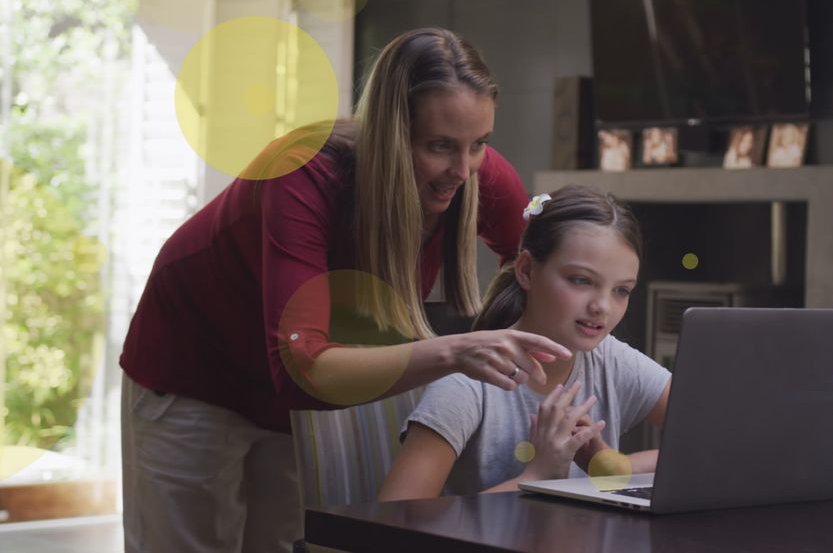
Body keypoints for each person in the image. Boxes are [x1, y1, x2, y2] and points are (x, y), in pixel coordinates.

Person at [119, 28, 571, 553]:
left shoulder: (472, 172)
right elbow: (302, 369)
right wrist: (456, 352)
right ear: (389, 133)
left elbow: (546, 265)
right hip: (194, 370)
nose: (463, 170)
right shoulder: (300, 173)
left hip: (297, 394)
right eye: (439, 146)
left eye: (479, 144)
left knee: (282, 542)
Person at [377, 185, 672, 501]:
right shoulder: (466, 385)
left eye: (621, 291)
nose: (603, 306)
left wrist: (614, 468)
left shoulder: (610, 359)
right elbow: (397, 518)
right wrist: (538, 476)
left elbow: (721, 443)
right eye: (581, 280)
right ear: (527, 270)